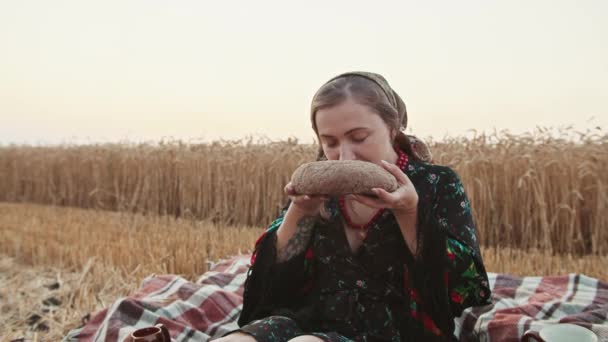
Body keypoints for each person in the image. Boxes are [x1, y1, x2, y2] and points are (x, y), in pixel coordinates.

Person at [214, 72, 491, 341]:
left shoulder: (437, 182)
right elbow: (272, 284)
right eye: (330, 142)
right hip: (311, 318)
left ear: (393, 129)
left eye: (359, 137)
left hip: (398, 328)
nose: (344, 155)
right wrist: (301, 212)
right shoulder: (319, 184)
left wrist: (408, 213)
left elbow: (462, 289)